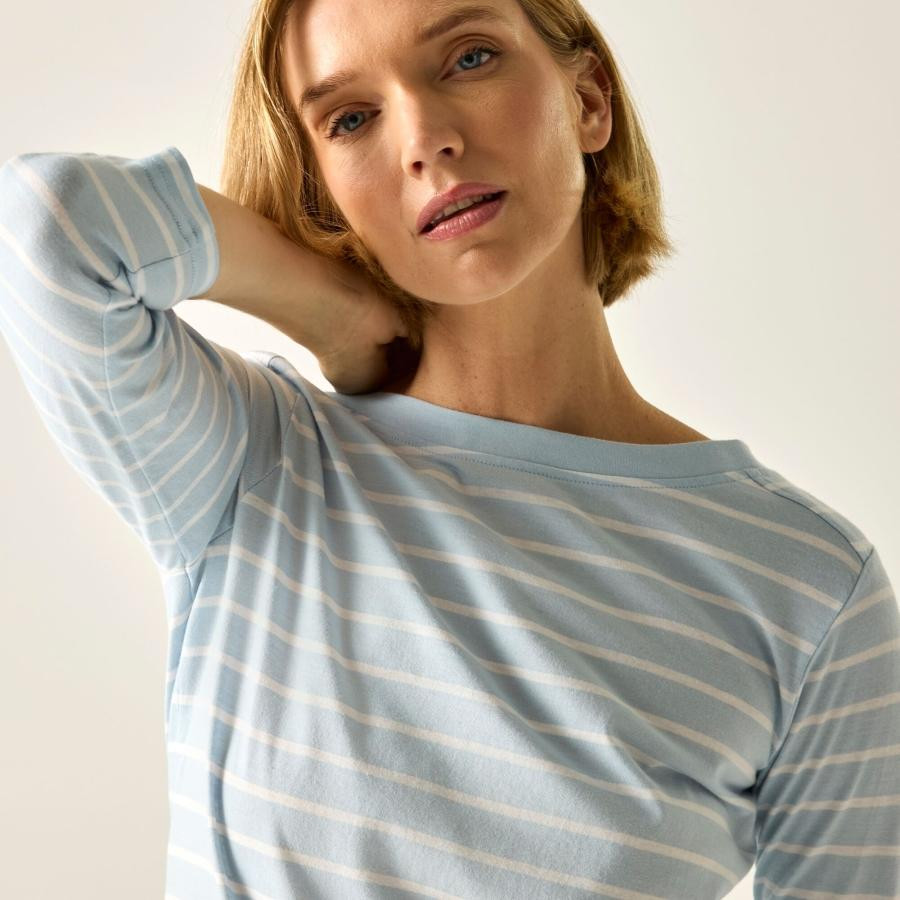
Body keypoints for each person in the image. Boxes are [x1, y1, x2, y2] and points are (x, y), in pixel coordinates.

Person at [0, 1, 896, 898]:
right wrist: (333, 313)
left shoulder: (808, 585)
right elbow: (53, 225)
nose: (426, 138)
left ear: (588, 99)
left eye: (469, 58)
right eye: (351, 118)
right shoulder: (261, 463)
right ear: (322, 187)